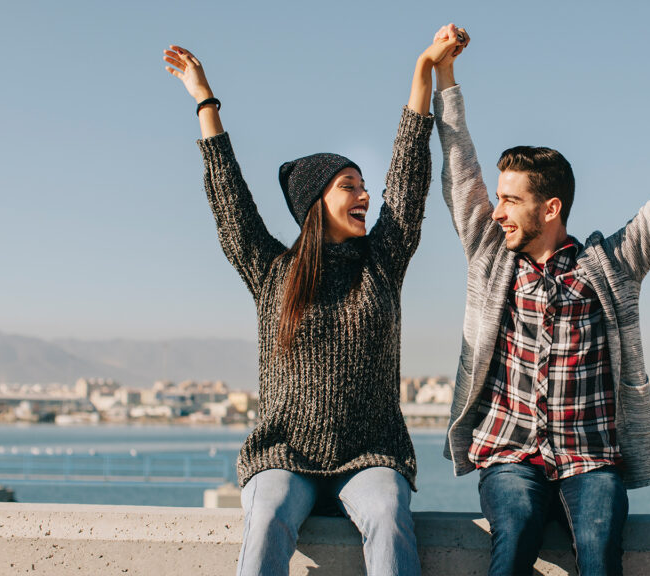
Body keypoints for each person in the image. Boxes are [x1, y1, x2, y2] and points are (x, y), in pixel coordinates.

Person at [432, 25, 650, 576]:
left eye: (509, 200)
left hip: (591, 459)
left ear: (549, 209)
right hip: (509, 455)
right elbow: (459, 175)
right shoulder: (491, 256)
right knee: (518, 528)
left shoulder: (610, 265)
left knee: (599, 552)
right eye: (497, 198)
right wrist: (446, 77)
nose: (497, 210)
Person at [162, 27, 462, 576]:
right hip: (285, 456)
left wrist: (423, 74)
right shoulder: (272, 270)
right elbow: (229, 197)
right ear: (316, 204)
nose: (366, 195)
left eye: (364, 184)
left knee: (391, 513)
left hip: (369, 455)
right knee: (268, 513)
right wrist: (205, 99)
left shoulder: (383, 261)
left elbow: (409, 178)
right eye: (350, 185)